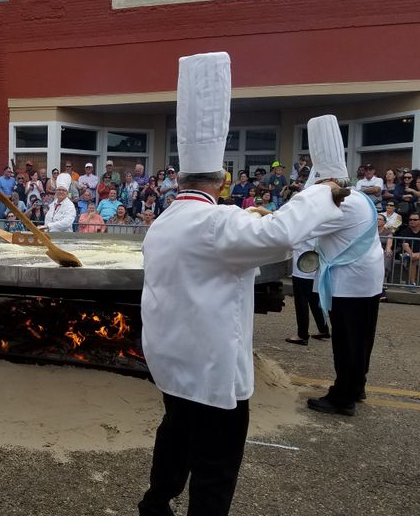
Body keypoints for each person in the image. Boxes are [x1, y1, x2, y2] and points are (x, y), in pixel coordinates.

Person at [138, 53, 343, 516]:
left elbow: (243, 235)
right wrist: (322, 191)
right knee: (215, 464)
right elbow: (280, 235)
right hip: (210, 367)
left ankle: (155, 505)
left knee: (174, 435)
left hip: (172, 358)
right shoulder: (214, 222)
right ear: (222, 180)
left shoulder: (168, 219)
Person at [304, 114, 383, 417]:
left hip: (350, 284)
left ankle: (343, 397)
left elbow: (301, 228)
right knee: (363, 338)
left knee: (347, 341)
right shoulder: (361, 198)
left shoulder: (340, 204)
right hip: (368, 281)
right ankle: (357, 384)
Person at [285, 238, 330, 345]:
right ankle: (323, 329)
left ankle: (302, 334)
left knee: (301, 301)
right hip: (317, 264)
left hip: (303, 264)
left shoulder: (303, 221)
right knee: (314, 300)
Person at [397, 211, 420, 286]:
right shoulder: (405, 231)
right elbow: (405, 245)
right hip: (408, 255)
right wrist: (412, 254)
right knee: (413, 260)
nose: (412, 221)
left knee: (414, 258)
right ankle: (413, 283)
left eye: (415, 220)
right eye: (410, 220)